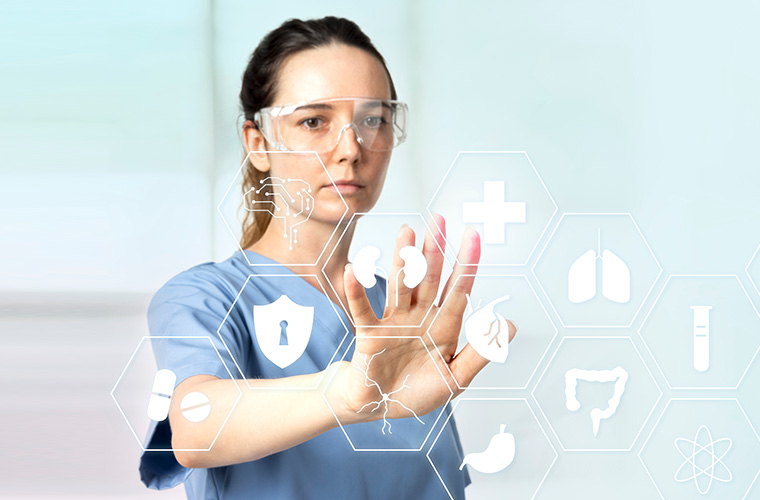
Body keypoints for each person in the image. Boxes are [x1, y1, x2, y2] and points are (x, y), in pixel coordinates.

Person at [139, 16, 513, 499]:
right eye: (314, 121)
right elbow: (194, 427)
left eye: (372, 119)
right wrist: (347, 393)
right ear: (259, 144)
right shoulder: (204, 298)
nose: (351, 148)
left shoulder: (402, 314)